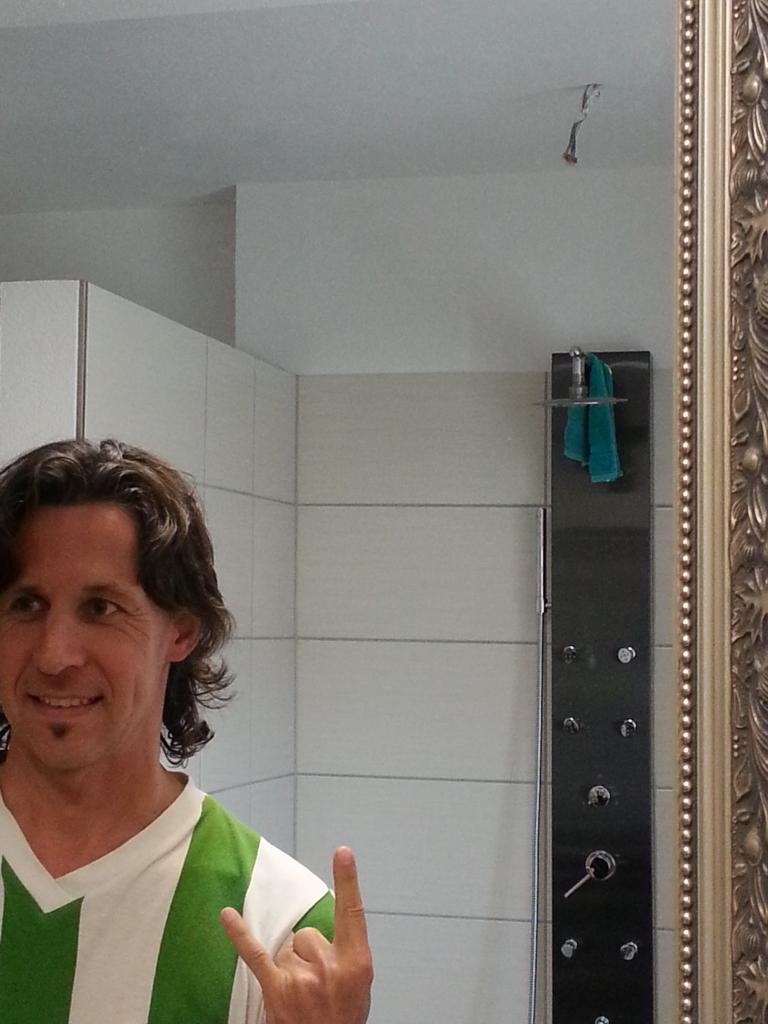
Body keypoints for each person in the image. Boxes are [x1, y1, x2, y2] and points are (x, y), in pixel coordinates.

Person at [0, 438, 373, 1024]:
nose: (54, 654)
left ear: (180, 631)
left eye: (99, 608)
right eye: (26, 604)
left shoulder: (281, 932)